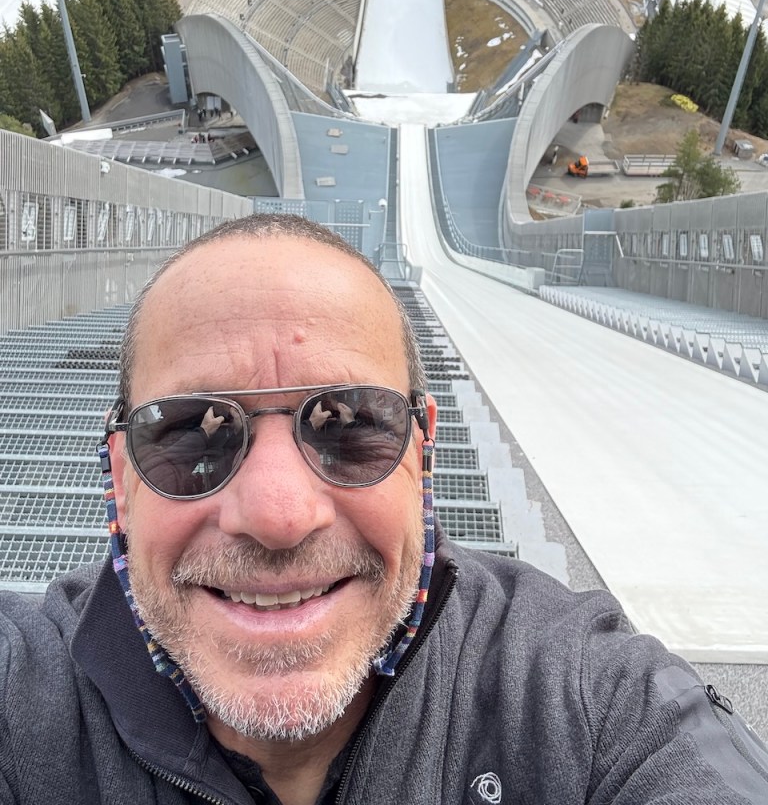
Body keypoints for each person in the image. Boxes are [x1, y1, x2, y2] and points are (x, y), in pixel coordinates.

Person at [1, 213, 767, 805]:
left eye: (349, 424)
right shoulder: (21, 698)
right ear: (121, 476)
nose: (277, 513)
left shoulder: (585, 707)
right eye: (189, 433)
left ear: (422, 456)